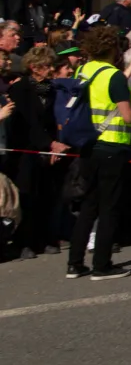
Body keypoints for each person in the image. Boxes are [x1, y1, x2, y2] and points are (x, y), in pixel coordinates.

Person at [66, 26, 131, 279]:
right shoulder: (113, 75)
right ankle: (102, 265)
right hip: (112, 144)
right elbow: (126, 115)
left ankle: (75, 262)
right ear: (112, 48)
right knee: (109, 207)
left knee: (89, 205)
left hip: (87, 142)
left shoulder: (82, 70)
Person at [5, 46, 69, 258]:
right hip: (24, 150)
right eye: (47, 66)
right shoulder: (20, 89)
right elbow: (29, 122)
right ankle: (24, 243)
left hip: (46, 148)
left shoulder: (52, 89)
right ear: (34, 68)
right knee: (27, 197)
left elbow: (53, 121)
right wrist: (49, 144)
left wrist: (55, 145)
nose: (52, 69)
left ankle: (46, 239)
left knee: (47, 195)